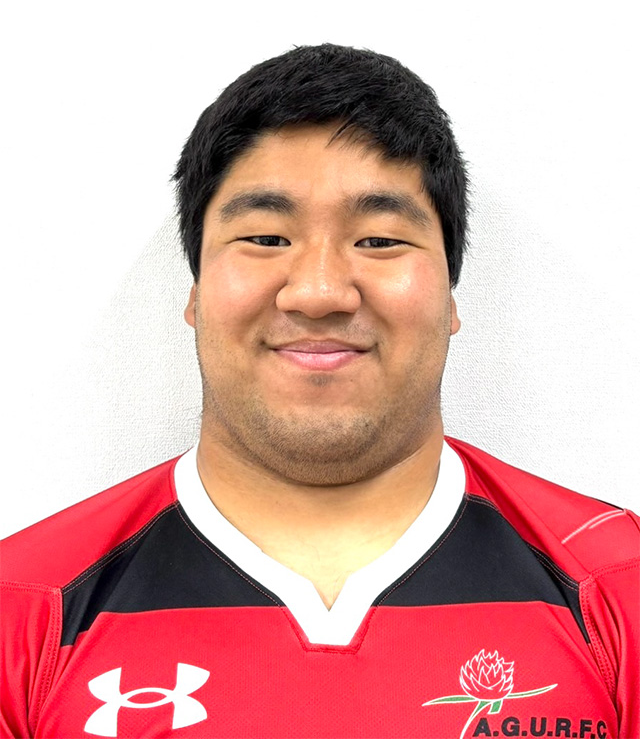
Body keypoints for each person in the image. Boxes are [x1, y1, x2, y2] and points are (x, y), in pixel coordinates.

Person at [1, 44, 637, 739]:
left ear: (450, 297)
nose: (319, 292)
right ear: (195, 294)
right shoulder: (24, 606)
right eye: (266, 238)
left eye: (380, 241)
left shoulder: (617, 582)